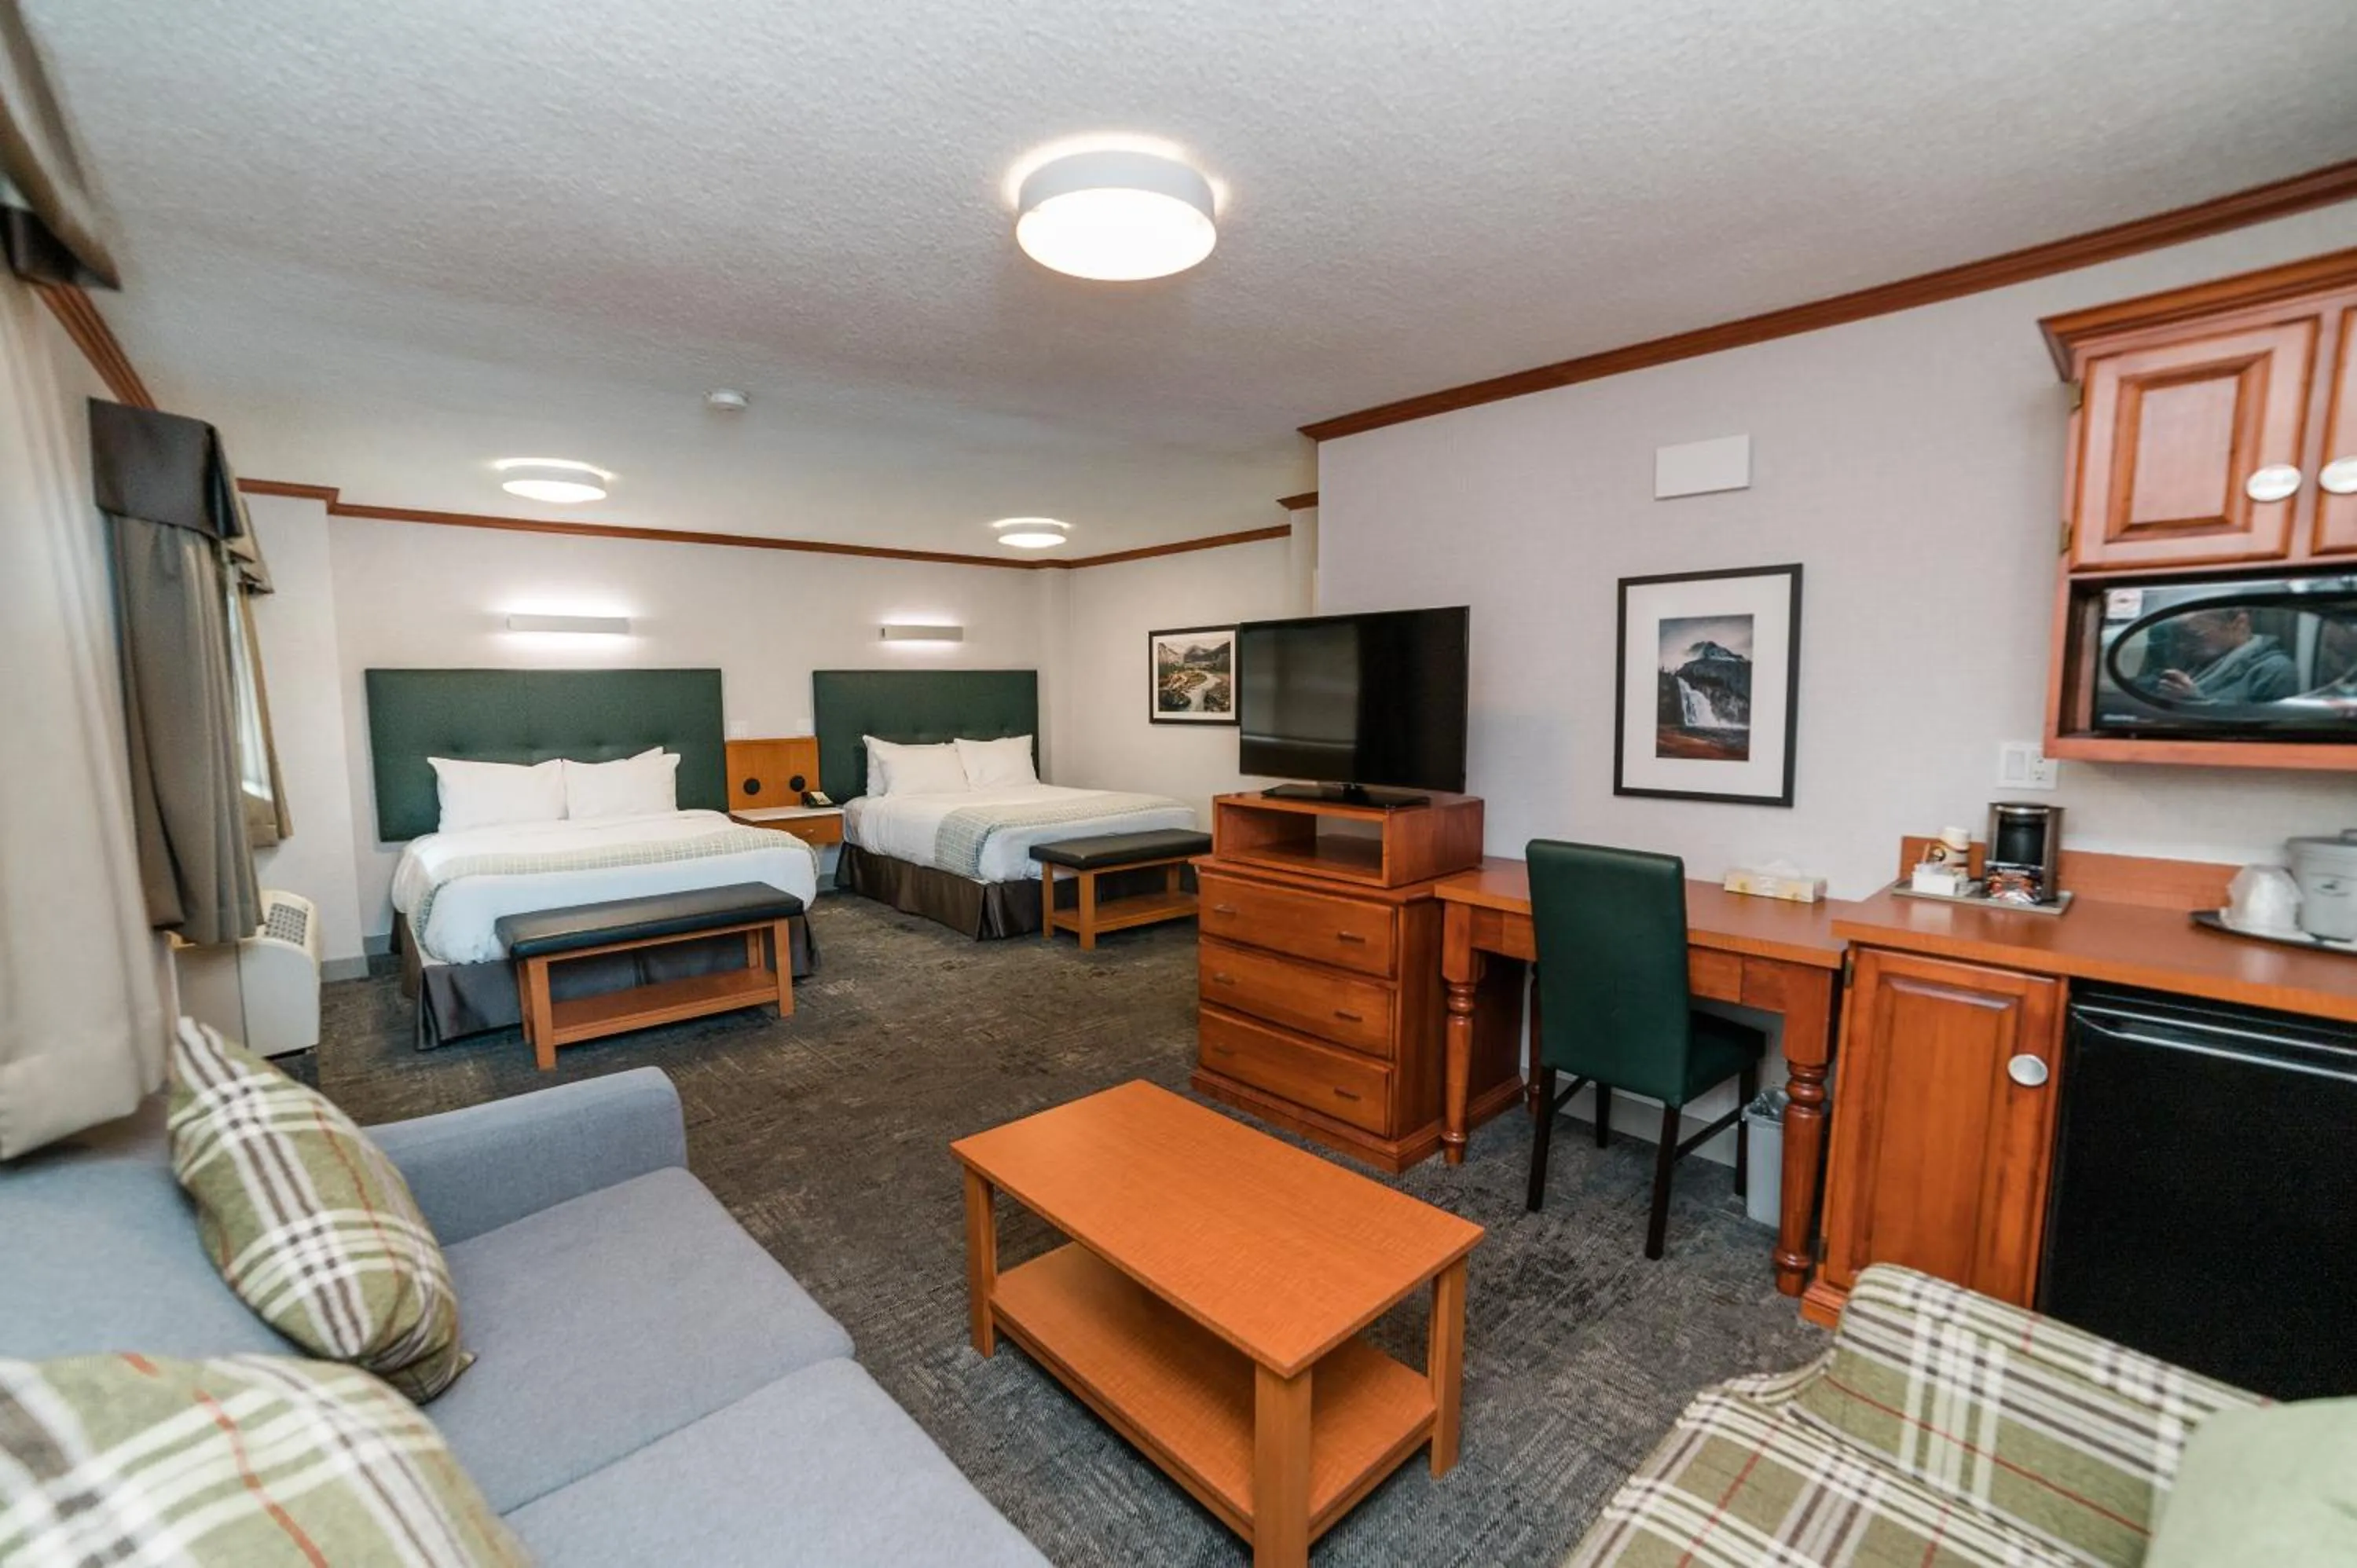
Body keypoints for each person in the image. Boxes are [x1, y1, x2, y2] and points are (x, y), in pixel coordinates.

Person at [2152, 606, 2298, 703]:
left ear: (2239, 623)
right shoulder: (2195, 662)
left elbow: (2266, 730)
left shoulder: (2275, 670)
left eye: (2194, 636)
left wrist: (2196, 702)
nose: (2182, 646)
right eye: (2178, 638)